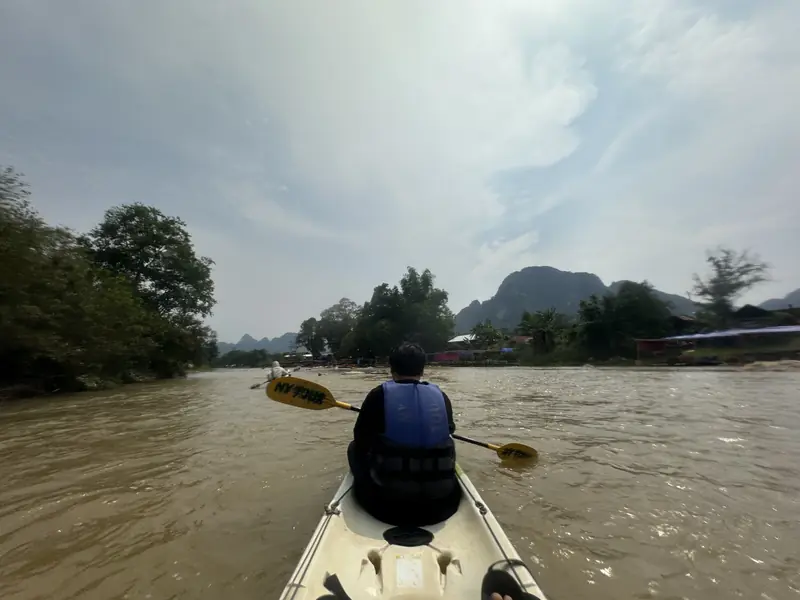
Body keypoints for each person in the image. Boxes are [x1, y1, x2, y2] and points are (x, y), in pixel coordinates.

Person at [347, 342, 461, 526]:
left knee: (353, 448)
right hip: (441, 505)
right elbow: (449, 430)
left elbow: (361, 440)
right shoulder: (441, 396)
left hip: (387, 507)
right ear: (423, 370)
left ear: (392, 369)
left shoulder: (378, 395)